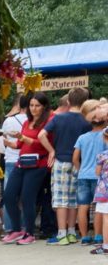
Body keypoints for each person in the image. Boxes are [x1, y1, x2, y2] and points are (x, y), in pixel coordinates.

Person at [41, 88, 92, 244]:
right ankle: (71, 231)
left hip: (60, 162)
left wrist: (51, 150)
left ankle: (61, 233)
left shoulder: (58, 118)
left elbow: (41, 135)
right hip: (79, 164)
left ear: (68, 101)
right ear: (85, 102)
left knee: (61, 199)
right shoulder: (86, 121)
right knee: (74, 200)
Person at [1, 92, 53, 245]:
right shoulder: (26, 122)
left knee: (27, 198)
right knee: (9, 196)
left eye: (37, 105)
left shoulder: (48, 122)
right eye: (31, 105)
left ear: (44, 107)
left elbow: (42, 144)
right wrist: (10, 143)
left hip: (38, 164)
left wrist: (23, 138)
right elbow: (20, 144)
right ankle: (16, 230)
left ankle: (29, 233)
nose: (34, 108)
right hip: (21, 162)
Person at [72, 101, 105, 244]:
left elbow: (75, 158)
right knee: (99, 206)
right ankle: (98, 235)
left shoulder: (82, 137)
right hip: (100, 176)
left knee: (83, 206)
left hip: (83, 175)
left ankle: (84, 236)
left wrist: (81, 169)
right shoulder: (105, 135)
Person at [0, 94, 29, 238]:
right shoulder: (33, 121)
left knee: (9, 196)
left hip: (10, 160)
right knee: (26, 197)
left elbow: (2, 145)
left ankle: (10, 228)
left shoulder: (8, 121)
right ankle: (26, 228)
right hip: (28, 160)